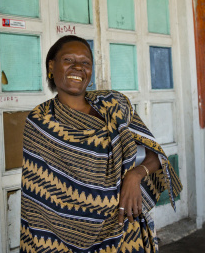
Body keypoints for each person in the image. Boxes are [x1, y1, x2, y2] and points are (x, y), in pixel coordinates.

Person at [20, 35, 182, 252]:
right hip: (63, 240)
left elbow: (155, 154)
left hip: (126, 228)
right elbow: (38, 199)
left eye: (85, 62)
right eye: (69, 60)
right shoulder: (40, 121)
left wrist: (135, 176)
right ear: (52, 66)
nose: (78, 67)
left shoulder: (114, 104)